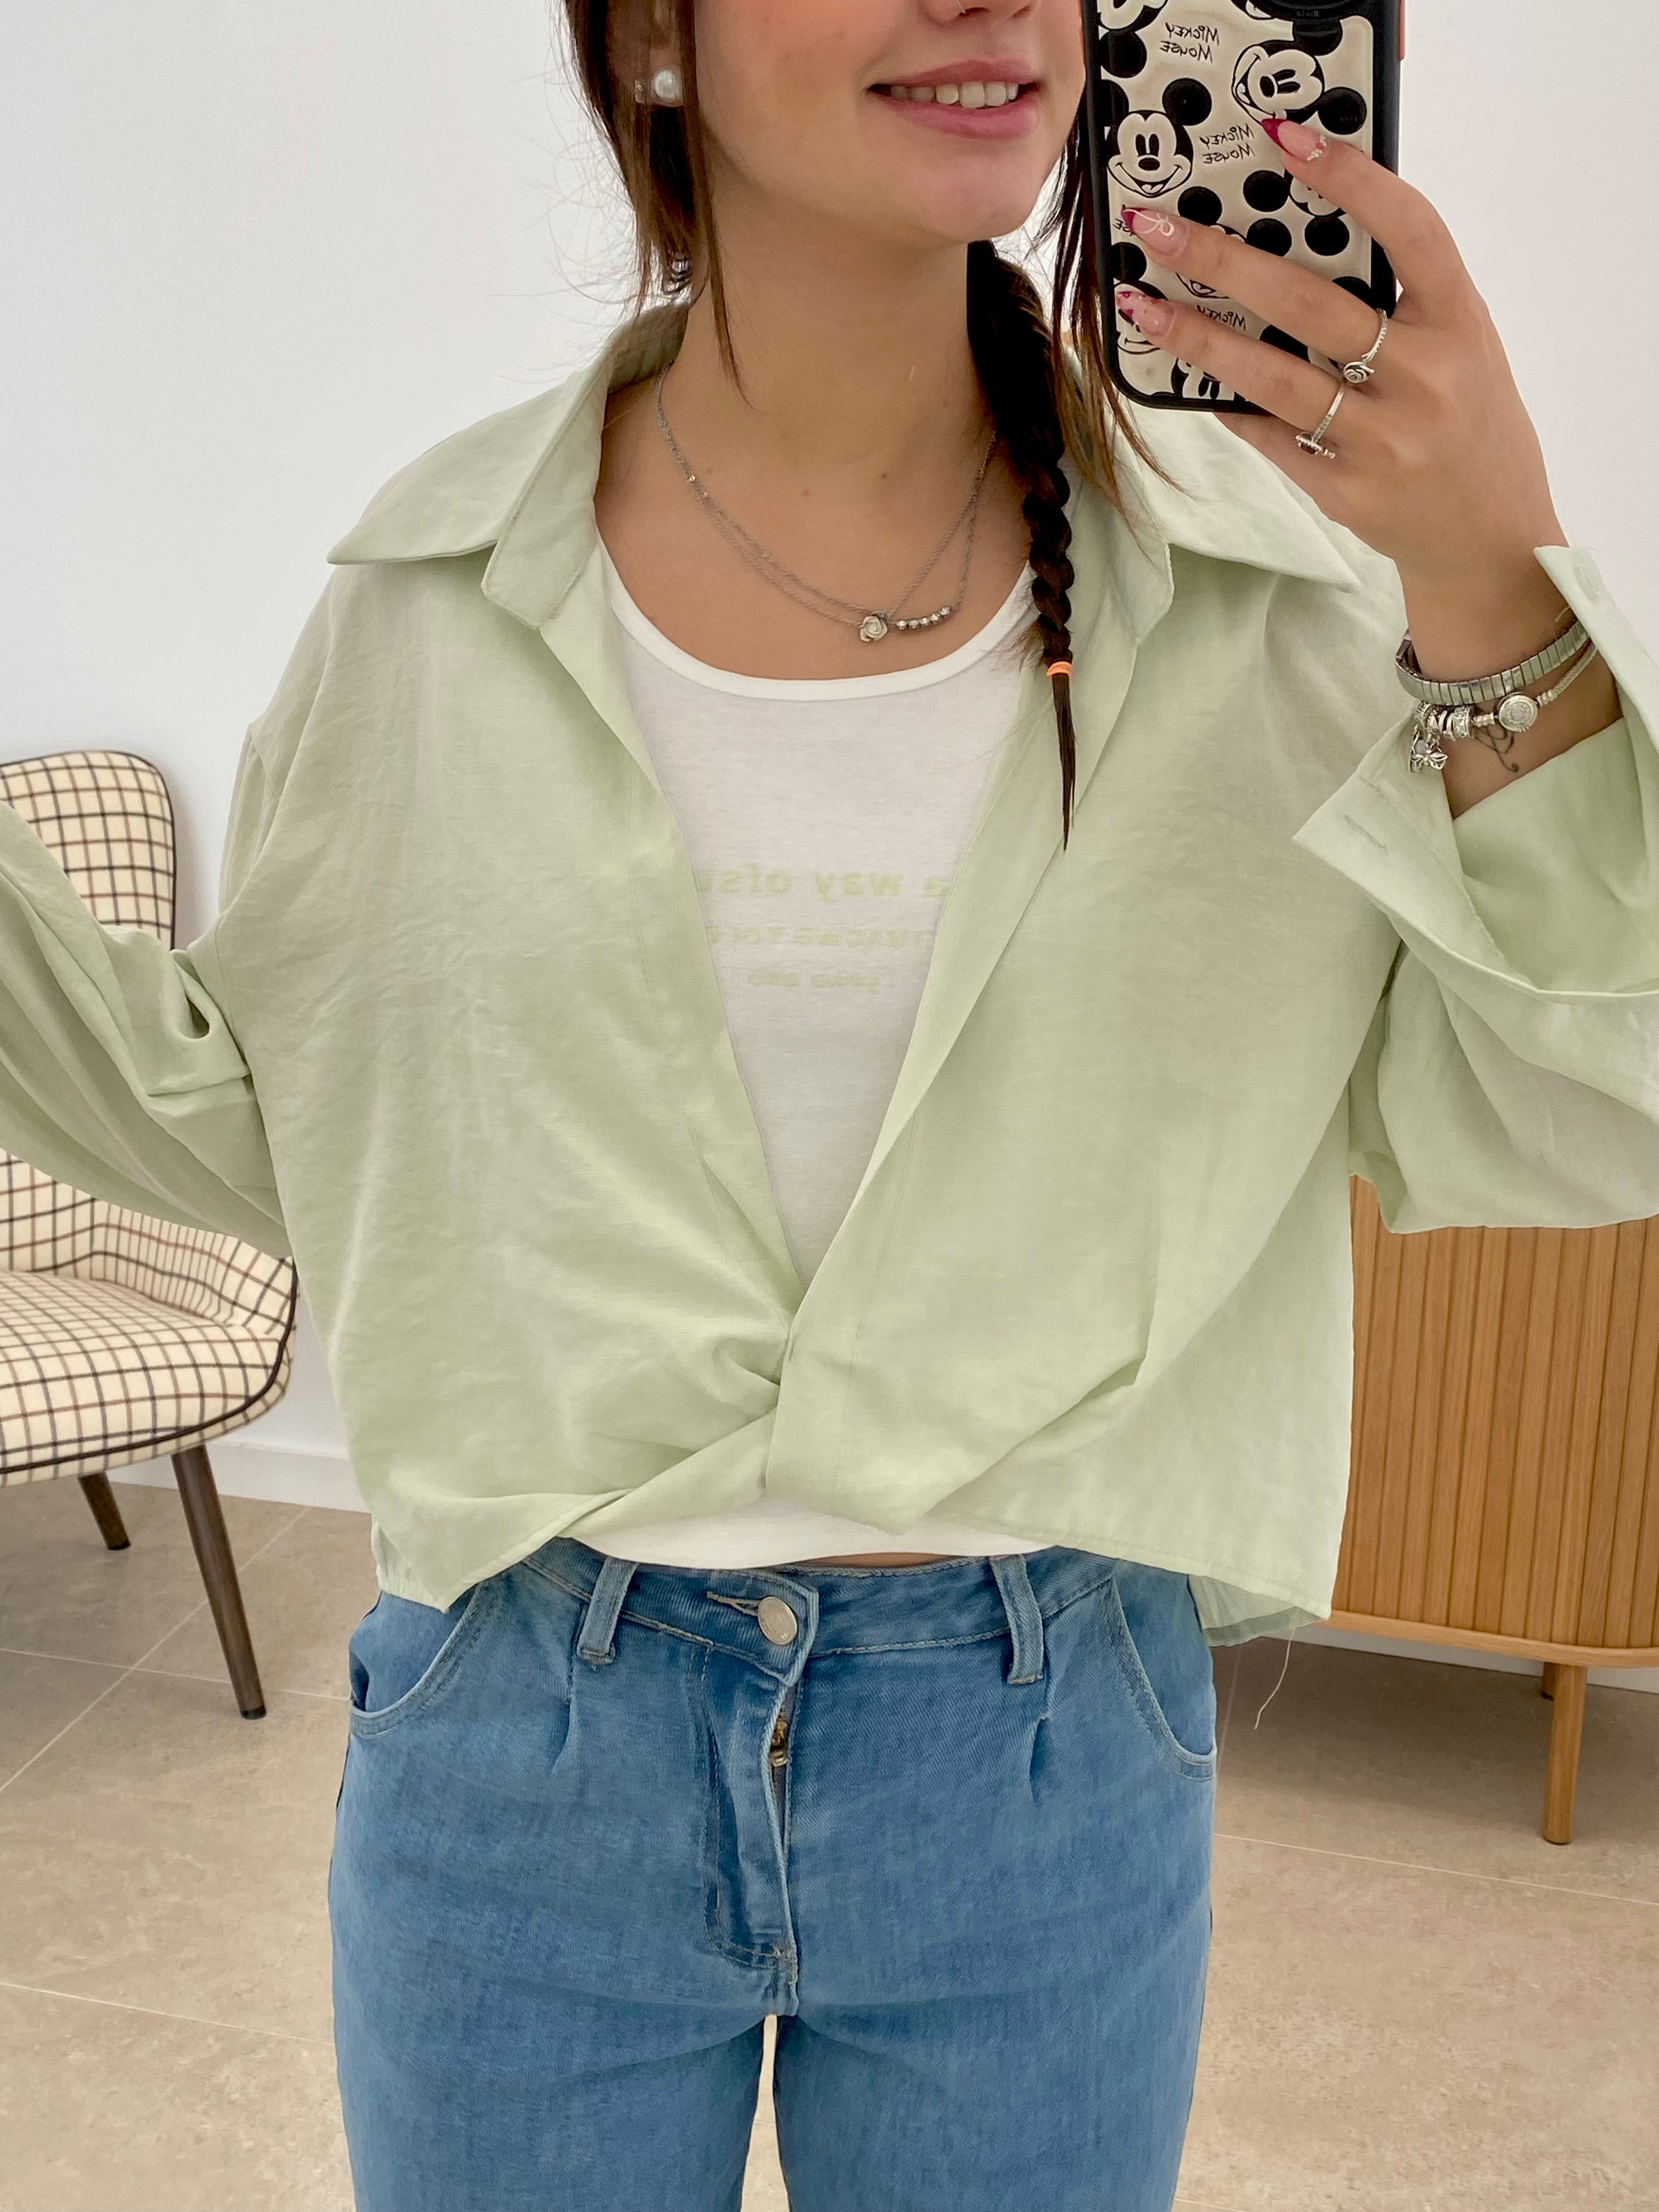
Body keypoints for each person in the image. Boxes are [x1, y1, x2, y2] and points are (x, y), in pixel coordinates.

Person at [2, 2, 1656, 2207]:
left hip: (1043, 1755)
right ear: (651, 34)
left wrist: (1495, 579)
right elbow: (269, 1121)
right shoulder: (430, 606)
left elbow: (1587, 1111)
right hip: (523, 1739)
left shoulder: (1278, 607)